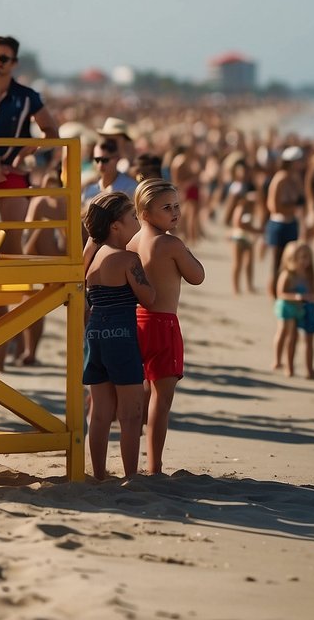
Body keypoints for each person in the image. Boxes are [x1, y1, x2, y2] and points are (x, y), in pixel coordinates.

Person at [0, 35, 59, 370]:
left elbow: (51, 131)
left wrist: (23, 153)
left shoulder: (26, 95)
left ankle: (17, 337)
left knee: (13, 255)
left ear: (14, 63)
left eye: (5, 58)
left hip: (13, 176)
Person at [127, 179, 204, 475]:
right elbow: (197, 276)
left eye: (176, 206)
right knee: (161, 400)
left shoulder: (131, 242)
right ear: (145, 213)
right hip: (162, 323)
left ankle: (131, 461)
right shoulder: (170, 243)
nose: (175, 213)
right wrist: (185, 251)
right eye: (167, 208)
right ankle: (154, 466)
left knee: (138, 396)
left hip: (135, 320)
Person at [82, 192, 154, 480]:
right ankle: (130, 476)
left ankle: (98, 473)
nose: (137, 221)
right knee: (130, 414)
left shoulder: (93, 257)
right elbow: (149, 298)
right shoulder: (128, 259)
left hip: (95, 333)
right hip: (121, 335)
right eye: (132, 217)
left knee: (99, 413)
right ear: (116, 226)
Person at [19, 167, 68, 366]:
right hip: (41, 262)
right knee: (31, 308)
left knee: (83, 309)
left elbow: (72, 243)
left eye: (53, 183)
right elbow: (28, 245)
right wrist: (44, 227)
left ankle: (83, 352)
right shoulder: (40, 202)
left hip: (62, 264)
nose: (51, 188)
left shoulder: (67, 202)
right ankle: (30, 352)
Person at [272, 240, 314, 379]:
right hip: (288, 308)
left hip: (306, 309)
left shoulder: (309, 275)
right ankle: (287, 366)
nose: (304, 261)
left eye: (307, 257)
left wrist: (311, 298)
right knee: (290, 337)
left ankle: (309, 370)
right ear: (291, 258)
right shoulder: (287, 275)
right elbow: (280, 294)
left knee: (309, 339)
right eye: (301, 257)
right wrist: (297, 297)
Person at [263, 145, 305, 300]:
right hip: (279, 224)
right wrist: (292, 207)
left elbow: (302, 200)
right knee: (277, 261)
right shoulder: (280, 178)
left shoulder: (295, 179)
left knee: (290, 261)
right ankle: (274, 293)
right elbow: (273, 206)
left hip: (291, 223)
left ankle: (284, 290)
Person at [81, 138, 137, 209]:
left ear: (117, 159)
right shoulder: (88, 187)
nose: (100, 165)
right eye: (97, 160)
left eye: (105, 160)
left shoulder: (130, 187)